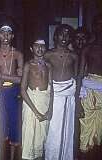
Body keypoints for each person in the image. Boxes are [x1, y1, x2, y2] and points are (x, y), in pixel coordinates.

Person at [44, 24, 78, 160]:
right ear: (55, 36)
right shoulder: (48, 54)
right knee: (53, 130)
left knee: (67, 130)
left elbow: (76, 78)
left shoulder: (74, 56)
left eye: (67, 35)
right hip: (54, 95)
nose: (64, 37)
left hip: (68, 94)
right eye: (61, 34)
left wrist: (78, 99)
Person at [0, 24, 23, 160]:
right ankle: (1, 156)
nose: (5, 36)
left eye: (8, 33)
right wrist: (12, 78)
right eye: (3, 33)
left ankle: (14, 157)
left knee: (15, 125)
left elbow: (20, 79)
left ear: (12, 36)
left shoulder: (18, 54)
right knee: (0, 125)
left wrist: (2, 76)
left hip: (13, 92)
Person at [21, 39, 53, 160]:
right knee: (28, 138)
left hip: (44, 102)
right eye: (36, 46)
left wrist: (50, 109)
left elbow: (51, 88)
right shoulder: (28, 65)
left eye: (42, 46)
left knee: (41, 140)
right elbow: (23, 90)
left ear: (46, 48)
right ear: (31, 49)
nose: (39, 49)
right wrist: (35, 112)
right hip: (31, 103)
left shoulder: (49, 66)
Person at [78, 14, 102, 153]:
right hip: (89, 94)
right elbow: (80, 74)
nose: (100, 27)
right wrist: (78, 100)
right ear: (93, 28)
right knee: (85, 135)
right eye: (97, 24)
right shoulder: (88, 48)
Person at [72, 27, 89, 158]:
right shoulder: (70, 56)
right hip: (71, 96)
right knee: (73, 131)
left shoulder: (89, 54)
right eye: (77, 37)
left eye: (83, 38)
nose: (80, 41)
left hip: (88, 97)